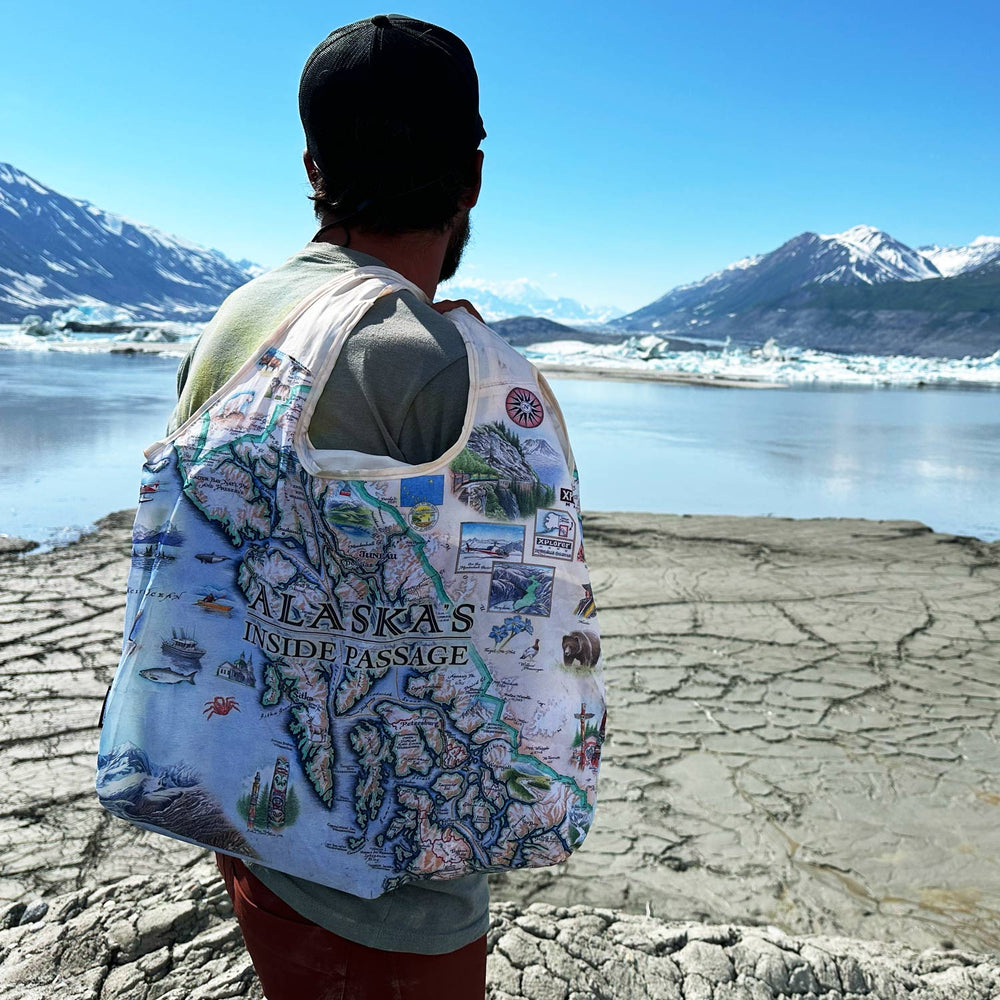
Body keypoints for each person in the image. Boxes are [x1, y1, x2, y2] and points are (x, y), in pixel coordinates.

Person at [169, 14, 491, 999]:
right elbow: (497, 625)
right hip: (389, 886)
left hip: (253, 812)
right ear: (472, 178)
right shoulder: (435, 364)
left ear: (313, 169)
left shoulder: (240, 320)